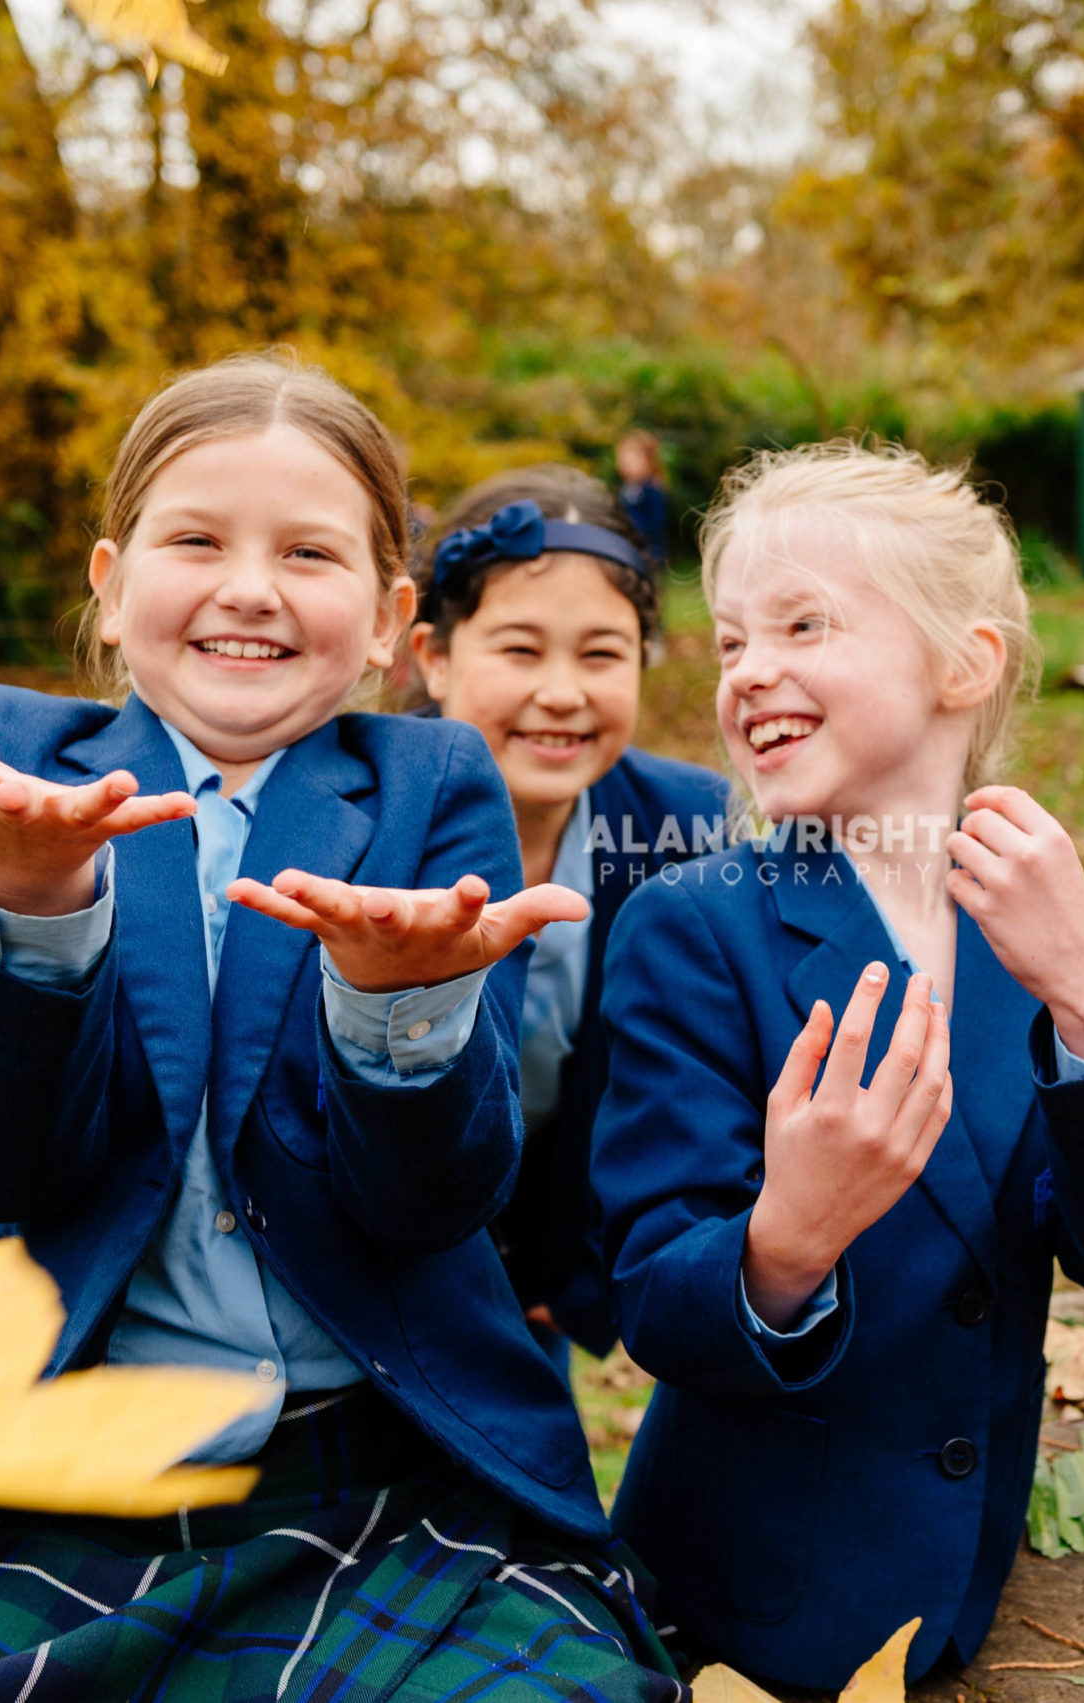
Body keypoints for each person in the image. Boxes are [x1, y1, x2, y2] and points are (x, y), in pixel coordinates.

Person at [0, 352, 678, 1702]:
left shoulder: (431, 783)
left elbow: (434, 1199)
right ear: (111, 585)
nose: (249, 585)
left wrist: (396, 1003)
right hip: (60, 1474)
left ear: (393, 619)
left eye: (310, 552)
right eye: (197, 539)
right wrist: (34, 906)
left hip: (390, 1463)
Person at [591, 442, 1084, 1686]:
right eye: (730, 642)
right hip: (749, 1610)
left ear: (962, 663)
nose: (750, 670)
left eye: (802, 623)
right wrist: (788, 1237)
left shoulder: (1039, 925)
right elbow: (653, 1303)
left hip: (967, 1590)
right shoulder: (697, 926)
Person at [404, 463, 731, 1371]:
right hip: (379, 1266)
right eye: (518, 650)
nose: (562, 691)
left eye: (600, 654)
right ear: (434, 657)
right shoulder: (372, 820)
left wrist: (579, 1266)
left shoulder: (691, 826)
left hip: (552, 1265)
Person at [615, 430, 670, 571]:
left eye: (634, 458)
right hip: (629, 548)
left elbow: (656, 522)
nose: (627, 463)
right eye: (624, 459)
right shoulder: (626, 488)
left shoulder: (651, 489)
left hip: (649, 552)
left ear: (649, 460)